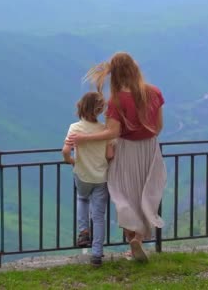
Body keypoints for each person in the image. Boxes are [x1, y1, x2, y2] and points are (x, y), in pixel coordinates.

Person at [66, 52, 166, 263]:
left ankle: (132, 240)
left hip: (127, 150)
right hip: (150, 149)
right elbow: (158, 127)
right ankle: (138, 238)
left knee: (123, 195)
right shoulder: (154, 93)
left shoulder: (117, 101)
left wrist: (84, 138)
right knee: (145, 193)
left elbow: (112, 132)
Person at [62, 92, 115, 267]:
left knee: (82, 198)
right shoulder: (104, 130)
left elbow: (65, 152)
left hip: (82, 174)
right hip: (101, 177)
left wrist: (72, 162)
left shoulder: (74, 128)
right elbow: (109, 155)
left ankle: (83, 231)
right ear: (99, 110)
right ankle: (97, 255)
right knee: (99, 216)